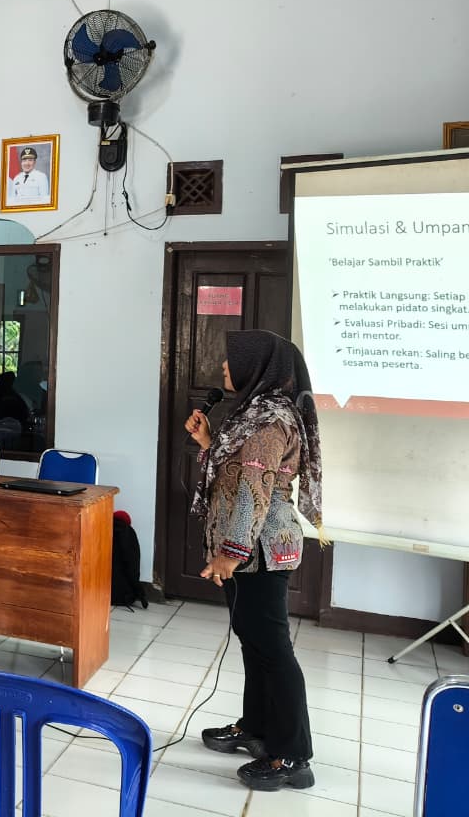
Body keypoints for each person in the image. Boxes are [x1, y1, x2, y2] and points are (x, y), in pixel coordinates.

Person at [185, 330, 323, 792]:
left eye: (232, 360)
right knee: (253, 641)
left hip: (260, 549)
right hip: (249, 546)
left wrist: (231, 553)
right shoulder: (252, 411)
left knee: (273, 649)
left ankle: (293, 756)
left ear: (258, 366)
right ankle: (258, 728)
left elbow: (253, 491)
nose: (225, 367)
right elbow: (234, 473)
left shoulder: (269, 420)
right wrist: (208, 441)